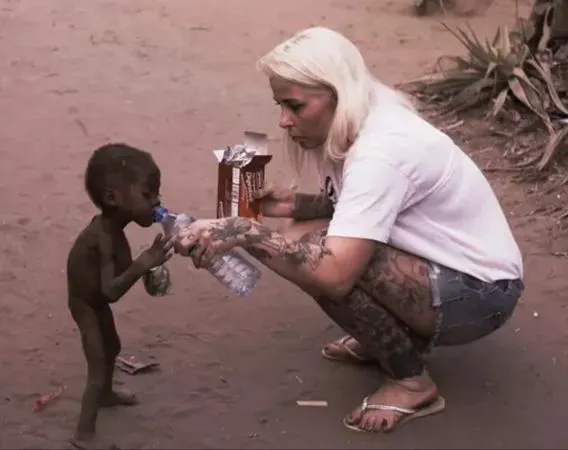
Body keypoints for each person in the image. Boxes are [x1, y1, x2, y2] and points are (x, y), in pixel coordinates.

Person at [172, 26, 524, 433]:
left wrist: (244, 231)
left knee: (313, 251)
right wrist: (295, 203)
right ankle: (388, 337)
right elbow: (363, 207)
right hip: (449, 268)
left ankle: (411, 382)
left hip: (480, 294)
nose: (283, 121)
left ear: (338, 94)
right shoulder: (361, 115)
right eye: (280, 105)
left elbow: (335, 274)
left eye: (295, 106)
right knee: (302, 231)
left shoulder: (382, 152)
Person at [66, 143, 172, 449]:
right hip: (86, 304)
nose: (156, 203)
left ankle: (106, 396)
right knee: (97, 365)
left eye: (156, 194)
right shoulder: (101, 237)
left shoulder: (114, 231)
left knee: (112, 345)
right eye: (147, 195)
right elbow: (110, 291)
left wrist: (151, 268)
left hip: (96, 298)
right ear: (112, 197)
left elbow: (121, 272)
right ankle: (84, 434)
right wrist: (143, 264)